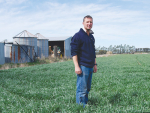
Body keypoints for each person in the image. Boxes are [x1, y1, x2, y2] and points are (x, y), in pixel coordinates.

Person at [70, 15, 97, 106]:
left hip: (90, 66)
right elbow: (74, 52)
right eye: (87, 22)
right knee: (82, 89)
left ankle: (84, 104)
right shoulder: (78, 36)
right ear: (83, 23)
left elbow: (93, 51)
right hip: (83, 66)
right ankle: (81, 108)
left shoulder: (91, 37)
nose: (89, 24)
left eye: (91, 22)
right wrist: (76, 66)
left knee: (87, 88)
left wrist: (95, 64)